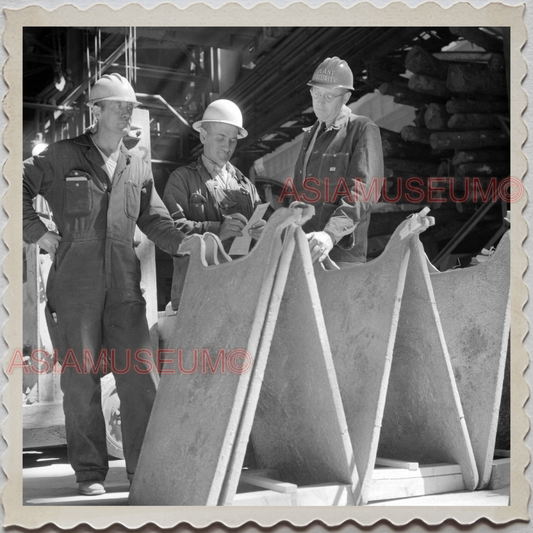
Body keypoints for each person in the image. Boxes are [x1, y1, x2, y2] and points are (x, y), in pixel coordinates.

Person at [22, 73, 186, 496]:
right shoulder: (61, 156)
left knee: (139, 377)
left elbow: (154, 219)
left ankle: (142, 470)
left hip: (124, 287)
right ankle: (90, 473)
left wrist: (186, 243)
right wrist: (38, 232)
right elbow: (12, 186)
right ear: (95, 111)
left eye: (129, 105)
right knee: (80, 381)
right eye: (117, 105)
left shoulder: (137, 161)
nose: (126, 112)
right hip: (75, 287)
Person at [163, 99, 264, 310]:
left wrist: (263, 232)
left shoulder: (246, 187)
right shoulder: (181, 180)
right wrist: (217, 230)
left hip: (241, 291)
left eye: (233, 140)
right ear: (203, 135)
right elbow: (171, 232)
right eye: (220, 138)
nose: (227, 147)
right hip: (198, 295)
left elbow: (262, 235)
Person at [287, 56, 384, 265]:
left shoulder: (361, 129)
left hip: (341, 257)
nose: (320, 102)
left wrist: (330, 234)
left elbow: (363, 192)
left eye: (329, 96)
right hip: (306, 254)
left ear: (346, 97)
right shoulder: (309, 137)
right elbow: (299, 196)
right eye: (316, 93)